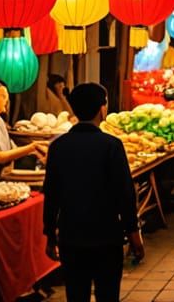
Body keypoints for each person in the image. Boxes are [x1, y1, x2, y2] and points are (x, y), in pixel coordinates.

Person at [43, 83, 142, 302]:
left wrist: (50, 234)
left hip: (71, 237)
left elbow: (51, 193)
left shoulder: (58, 147)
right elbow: (125, 194)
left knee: (76, 295)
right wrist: (134, 234)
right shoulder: (112, 145)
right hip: (106, 237)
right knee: (107, 295)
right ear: (102, 108)